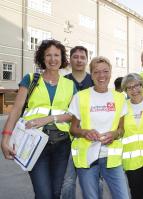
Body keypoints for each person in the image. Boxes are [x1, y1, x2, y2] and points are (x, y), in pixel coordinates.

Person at [1, 39, 75, 199]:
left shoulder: (70, 85)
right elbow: (16, 110)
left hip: (62, 144)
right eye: (48, 55)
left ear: (62, 59)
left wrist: (48, 118)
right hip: (33, 142)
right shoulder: (30, 79)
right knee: (43, 194)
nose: (53, 59)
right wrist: (5, 138)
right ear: (42, 57)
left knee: (55, 193)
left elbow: (73, 115)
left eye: (57, 55)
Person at [68, 56, 129, 199]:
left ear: (110, 73)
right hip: (88, 159)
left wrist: (114, 134)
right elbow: (73, 129)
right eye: (96, 72)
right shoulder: (81, 97)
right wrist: (85, 132)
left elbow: (121, 130)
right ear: (92, 75)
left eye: (105, 71)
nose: (102, 76)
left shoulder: (119, 98)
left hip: (112, 158)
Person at [61, 46, 94, 199]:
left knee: (95, 180)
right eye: (76, 57)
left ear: (87, 60)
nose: (79, 60)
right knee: (68, 181)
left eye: (82, 57)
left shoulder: (94, 80)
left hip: (90, 137)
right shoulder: (64, 82)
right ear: (70, 59)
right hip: (67, 137)